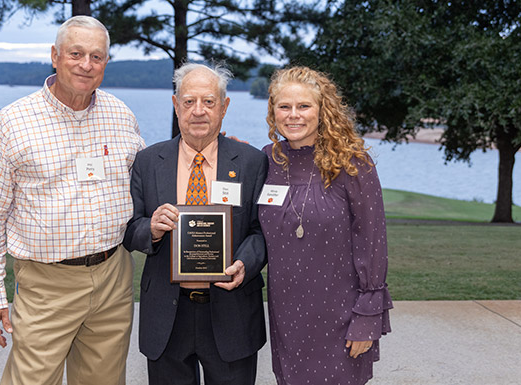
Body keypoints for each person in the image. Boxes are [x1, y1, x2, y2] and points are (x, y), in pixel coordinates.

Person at [0, 16, 145, 385]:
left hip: (113, 275)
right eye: (76, 53)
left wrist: (214, 155)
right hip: (47, 283)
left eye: (97, 56)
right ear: (55, 56)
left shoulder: (121, 116)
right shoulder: (13, 122)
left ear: (106, 63)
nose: (86, 64)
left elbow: (149, 181)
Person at [123, 63, 268, 385]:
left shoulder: (251, 162)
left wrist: (247, 261)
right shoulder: (148, 162)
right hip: (167, 314)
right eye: (189, 102)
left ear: (224, 107)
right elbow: (130, 228)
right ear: (176, 105)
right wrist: (153, 229)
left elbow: (262, 231)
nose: (198, 111)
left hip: (232, 312)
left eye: (208, 101)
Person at [258, 66, 393, 385]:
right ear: (273, 111)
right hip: (287, 317)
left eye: (304, 106)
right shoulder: (267, 161)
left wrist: (367, 318)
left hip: (341, 317)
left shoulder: (353, 163)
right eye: (284, 106)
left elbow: (373, 243)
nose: (293, 115)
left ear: (324, 110)